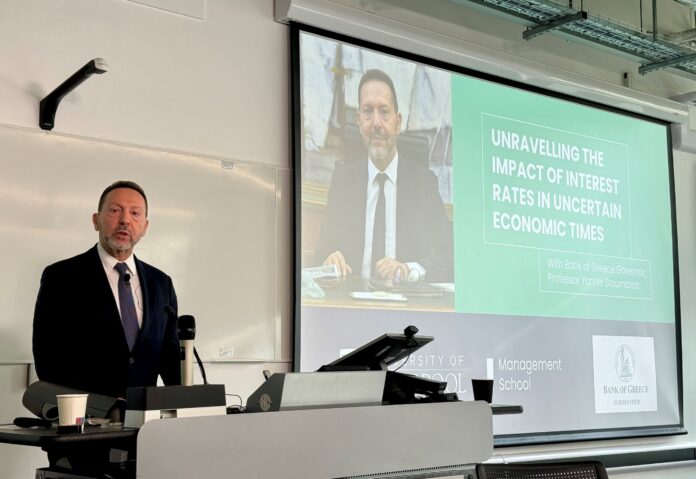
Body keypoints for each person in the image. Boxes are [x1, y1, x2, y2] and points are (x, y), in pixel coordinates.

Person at [32, 180, 180, 398]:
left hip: (146, 414)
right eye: (114, 210)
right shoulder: (62, 277)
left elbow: (171, 357)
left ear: (145, 227)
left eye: (135, 213)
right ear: (96, 220)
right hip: (85, 414)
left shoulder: (160, 283)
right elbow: (48, 356)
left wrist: (186, 405)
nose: (125, 220)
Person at [313, 69, 454, 283]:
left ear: (398, 122)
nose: (376, 123)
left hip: (407, 303)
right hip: (350, 302)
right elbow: (318, 258)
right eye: (368, 112)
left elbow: (452, 258)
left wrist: (408, 270)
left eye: (384, 112)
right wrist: (328, 261)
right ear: (359, 121)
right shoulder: (343, 181)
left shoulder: (424, 184)